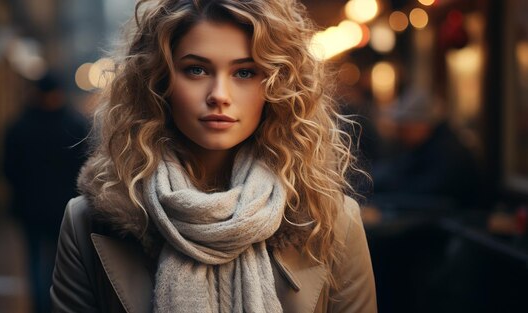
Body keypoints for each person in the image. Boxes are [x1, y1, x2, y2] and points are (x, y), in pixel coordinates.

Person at [51, 1, 376, 312]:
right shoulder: (88, 222)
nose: (219, 95)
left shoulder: (331, 221)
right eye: (196, 70)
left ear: (276, 86)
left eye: (245, 73)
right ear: (158, 81)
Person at [3, 72, 89, 313]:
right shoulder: (74, 125)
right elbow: (84, 167)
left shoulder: (19, 125)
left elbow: (8, 168)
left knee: (33, 261)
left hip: (29, 207)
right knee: (57, 262)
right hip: (63, 206)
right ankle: (52, 306)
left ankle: (39, 306)